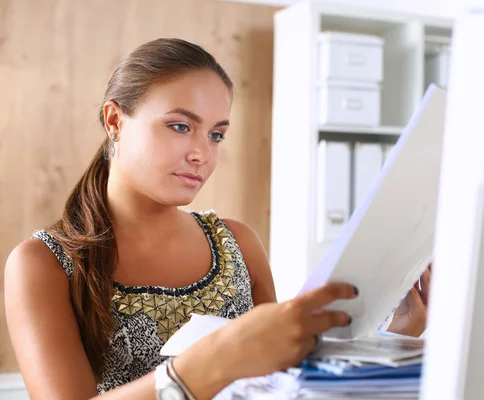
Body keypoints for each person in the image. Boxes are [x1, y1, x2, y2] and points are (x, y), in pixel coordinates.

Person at [4, 38, 429, 400]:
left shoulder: (238, 243)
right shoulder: (43, 264)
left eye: (216, 134)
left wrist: (400, 333)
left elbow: (284, 381)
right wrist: (207, 363)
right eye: (179, 126)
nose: (202, 154)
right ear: (115, 120)